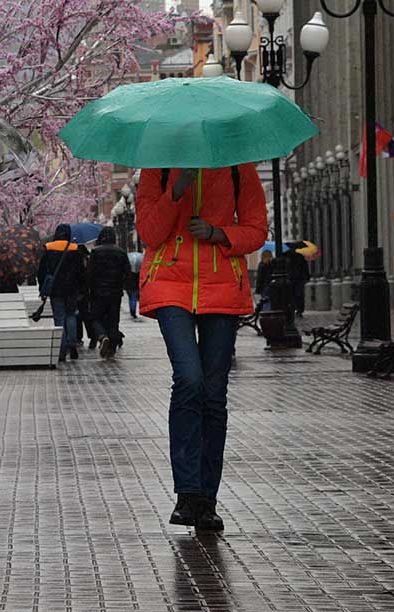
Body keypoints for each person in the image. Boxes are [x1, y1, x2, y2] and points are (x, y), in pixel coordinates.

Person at [137, 165, 265, 533]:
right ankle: (187, 492)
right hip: (169, 284)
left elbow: (256, 229)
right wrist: (175, 191)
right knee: (188, 379)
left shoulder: (238, 168)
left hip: (223, 285)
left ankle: (207, 500)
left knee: (213, 393)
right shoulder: (158, 169)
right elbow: (149, 232)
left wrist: (219, 233)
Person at [36, 224, 86, 361]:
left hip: (55, 290)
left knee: (59, 318)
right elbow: (81, 272)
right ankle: (72, 343)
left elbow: (42, 272)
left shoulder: (48, 248)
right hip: (72, 290)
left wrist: (42, 288)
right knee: (71, 316)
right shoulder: (75, 249)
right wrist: (82, 289)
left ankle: (62, 349)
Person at [87, 227, 130, 358]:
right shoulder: (121, 252)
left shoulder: (95, 252)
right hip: (115, 292)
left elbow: (90, 273)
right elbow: (127, 272)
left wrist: (89, 288)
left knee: (95, 317)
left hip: (98, 291)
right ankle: (111, 348)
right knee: (113, 319)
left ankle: (102, 336)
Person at [283, 245, 310, 318]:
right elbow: (305, 267)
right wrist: (307, 277)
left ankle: (292, 309)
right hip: (299, 278)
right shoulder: (300, 256)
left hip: (290, 278)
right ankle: (299, 310)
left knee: (291, 295)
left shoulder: (286, 255)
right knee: (299, 294)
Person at [126, 250, 143, 319]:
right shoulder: (139, 270)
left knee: (131, 298)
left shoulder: (128, 269)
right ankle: (133, 312)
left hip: (128, 285)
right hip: (136, 285)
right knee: (134, 298)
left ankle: (132, 311)